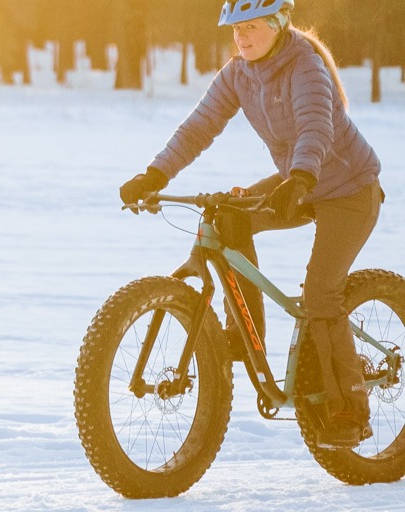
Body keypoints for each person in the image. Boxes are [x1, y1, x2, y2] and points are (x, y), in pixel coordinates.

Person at [119, 0, 382, 449]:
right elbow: (198, 127)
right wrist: (156, 174)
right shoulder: (238, 73)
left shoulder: (305, 65)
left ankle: (349, 411)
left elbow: (314, 127)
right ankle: (245, 335)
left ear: (278, 25)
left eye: (251, 27)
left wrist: (299, 177)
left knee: (321, 294)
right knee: (229, 216)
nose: (241, 37)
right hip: (297, 181)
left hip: (348, 189)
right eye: (235, 28)